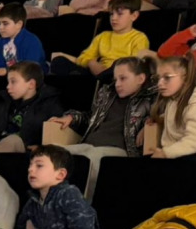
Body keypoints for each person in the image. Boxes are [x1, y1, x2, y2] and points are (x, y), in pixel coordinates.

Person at [47, 57, 158, 199]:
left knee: (93, 156)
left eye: (123, 78)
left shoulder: (150, 97)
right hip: (90, 143)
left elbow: (161, 114)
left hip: (120, 149)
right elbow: (90, 117)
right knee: (52, 154)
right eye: (115, 79)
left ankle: (84, 208)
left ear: (141, 78)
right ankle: (49, 204)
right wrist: (72, 117)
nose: (117, 84)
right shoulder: (107, 93)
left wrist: (151, 120)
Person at [53, 0, 148, 76]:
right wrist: (91, 63)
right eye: (111, 14)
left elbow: (135, 65)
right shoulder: (103, 36)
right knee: (59, 61)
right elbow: (84, 57)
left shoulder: (139, 38)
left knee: (119, 67)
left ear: (134, 16)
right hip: (96, 72)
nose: (114, 18)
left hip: (119, 75)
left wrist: (108, 70)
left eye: (119, 14)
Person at [0, 62, 64, 153]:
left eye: (13, 82)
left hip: (24, 149)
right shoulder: (5, 101)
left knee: (13, 140)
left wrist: (42, 148)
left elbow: (55, 132)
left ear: (31, 84)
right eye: (8, 82)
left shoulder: (49, 103)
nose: (8, 87)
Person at [0, 4, 46, 75]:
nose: (0, 27)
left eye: (5, 23)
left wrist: (6, 71)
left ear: (19, 24)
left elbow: (31, 68)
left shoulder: (32, 41)